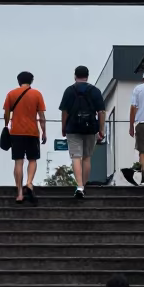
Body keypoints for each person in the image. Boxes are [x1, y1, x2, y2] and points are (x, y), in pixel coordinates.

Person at [58, 64, 107, 200]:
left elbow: (64, 111)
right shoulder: (95, 91)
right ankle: (83, 186)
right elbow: (102, 111)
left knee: (75, 157)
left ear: (75, 76)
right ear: (87, 76)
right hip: (90, 128)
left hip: (73, 128)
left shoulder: (69, 91)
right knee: (87, 157)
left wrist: (63, 127)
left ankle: (79, 186)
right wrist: (101, 129)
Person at [3, 71, 46, 204]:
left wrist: (7, 125)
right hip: (32, 132)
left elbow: (6, 113)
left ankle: (20, 193)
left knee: (18, 161)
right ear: (31, 81)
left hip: (16, 132)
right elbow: (41, 117)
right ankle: (29, 183)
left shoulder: (11, 94)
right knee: (32, 159)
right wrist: (44, 131)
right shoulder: (37, 94)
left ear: (18, 81)